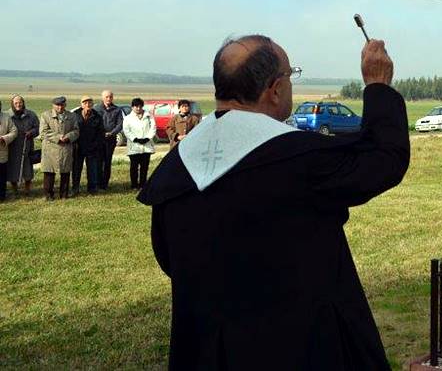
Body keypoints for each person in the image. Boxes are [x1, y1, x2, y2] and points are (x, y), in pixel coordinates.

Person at [138, 34, 408, 370]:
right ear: (275, 89)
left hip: (210, 349)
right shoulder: (299, 159)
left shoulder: (175, 167)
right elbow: (384, 160)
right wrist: (378, 85)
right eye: (290, 75)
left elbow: (169, 258)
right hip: (300, 345)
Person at [40, 96, 79, 200]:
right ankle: (48, 195)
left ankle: (64, 194)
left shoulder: (72, 116)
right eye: (57, 105)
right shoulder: (45, 115)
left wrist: (68, 137)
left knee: (65, 171)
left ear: (65, 105)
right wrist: (58, 137)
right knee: (49, 171)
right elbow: (43, 132)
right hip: (50, 148)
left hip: (65, 147)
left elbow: (76, 131)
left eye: (62, 105)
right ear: (53, 105)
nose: (60, 107)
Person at [73, 96, 105, 195]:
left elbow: (101, 133)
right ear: (81, 104)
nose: (87, 105)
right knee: (76, 169)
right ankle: (75, 188)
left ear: (92, 104)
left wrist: (96, 145)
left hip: (92, 147)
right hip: (78, 147)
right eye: (85, 103)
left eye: (90, 103)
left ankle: (92, 189)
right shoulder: (74, 115)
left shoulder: (97, 116)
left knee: (92, 169)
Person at [7, 96, 39, 196]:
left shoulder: (31, 115)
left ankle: (27, 189)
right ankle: (14, 189)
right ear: (12, 104)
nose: (18, 105)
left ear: (23, 103)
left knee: (27, 168)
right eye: (16, 103)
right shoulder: (7, 115)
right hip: (12, 146)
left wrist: (32, 132)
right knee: (12, 168)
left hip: (27, 145)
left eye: (20, 102)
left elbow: (38, 128)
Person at [123, 98, 156, 190]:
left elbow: (153, 128)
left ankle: (143, 184)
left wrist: (147, 138)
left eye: (140, 106)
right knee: (134, 166)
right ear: (132, 107)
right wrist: (135, 139)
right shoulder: (127, 118)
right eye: (136, 106)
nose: (138, 108)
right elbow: (126, 130)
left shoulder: (149, 116)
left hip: (146, 146)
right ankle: (134, 185)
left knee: (144, 167)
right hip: (134, 146)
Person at [95, 90, 124, 190]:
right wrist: (101, 133)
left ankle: (105, 184)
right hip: (99, 140)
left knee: (107, 162)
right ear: (102, 97)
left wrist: (112, 133)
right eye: (106, 97)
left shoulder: (117, 110)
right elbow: (94, 123)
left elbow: (120, 124)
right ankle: (98, 183)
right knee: (99, 162)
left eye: (110, 97)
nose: (109, 99)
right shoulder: (97, 109)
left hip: (110, 140)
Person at [0, 109, 19, 201]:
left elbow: (14, 131)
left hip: (2, 152)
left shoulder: (6, 117)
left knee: (1, 177)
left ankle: (1, 197)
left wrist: (4, 138)